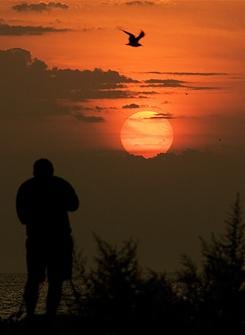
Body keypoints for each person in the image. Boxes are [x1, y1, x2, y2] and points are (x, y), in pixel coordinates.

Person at [16, 158, 79, 318]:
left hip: (39, 241)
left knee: (36, 279)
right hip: (57, 241)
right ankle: (48, 315)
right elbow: (74, 205)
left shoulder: (26, 187)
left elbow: (22, 217)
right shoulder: (61, 185)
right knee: (54, 280)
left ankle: (32, 315)